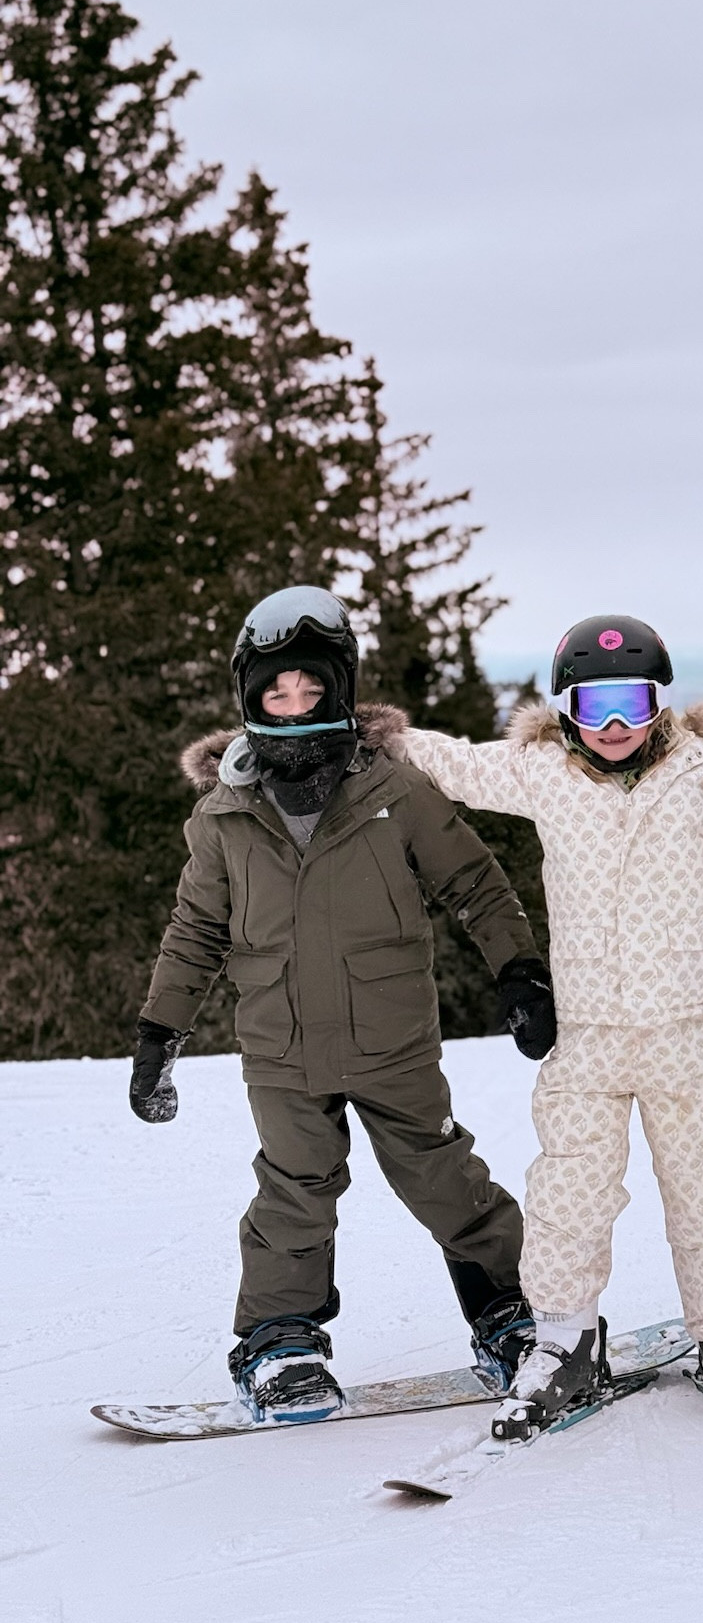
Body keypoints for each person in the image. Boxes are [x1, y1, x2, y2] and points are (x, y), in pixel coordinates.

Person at [386, 614, 703, 1434]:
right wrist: (368, 732)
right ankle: (561, 1339)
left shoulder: (698, 768)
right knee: (568, 1191)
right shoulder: (541, 772)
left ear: (660, 702)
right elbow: (452, 762)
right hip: (586, 1028)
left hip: (683, 1028)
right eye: (595, 707)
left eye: (632, 703)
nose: (616, 726)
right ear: (567, 710)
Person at [134, 587, 550, 1422]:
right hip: (280, 1050)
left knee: (442, 1175)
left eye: (311, 689)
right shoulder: (222, 814)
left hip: (391, 1037)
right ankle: (278, 1342)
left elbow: (474, 883)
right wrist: (159, 1029)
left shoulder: (393, 789)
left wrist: (519, 973)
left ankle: (512, 1314)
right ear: (248, 699)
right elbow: (195, 931)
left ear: (341, 688)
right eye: (274, 693)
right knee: (294, 1190)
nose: (293, 707)